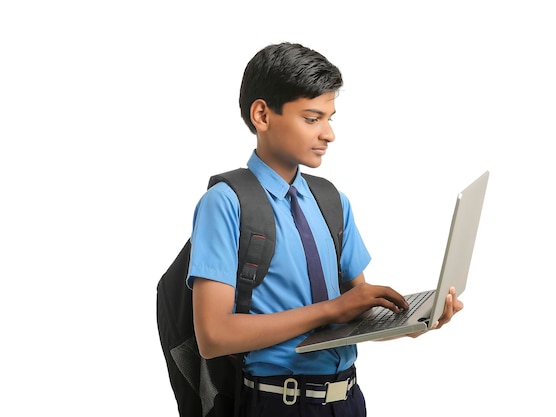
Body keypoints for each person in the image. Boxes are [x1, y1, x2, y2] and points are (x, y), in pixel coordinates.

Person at [187, 42, 463, 417]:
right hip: (277, 403)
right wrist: (331, 308)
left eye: (331, 118)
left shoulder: (332, 200)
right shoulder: (226, 203)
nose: (328, 134)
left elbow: (355, 312)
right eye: (312, 118)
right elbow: (213, 336)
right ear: (262, 115)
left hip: (348, 400)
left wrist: (416, 322)